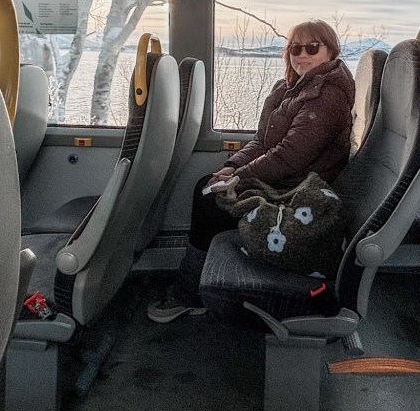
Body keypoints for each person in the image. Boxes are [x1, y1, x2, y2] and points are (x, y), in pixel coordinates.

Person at [147, 19, 356, 323]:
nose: (302, 54)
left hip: (296, 192)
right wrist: (231, 166)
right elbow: (262, 141)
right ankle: (196, 284)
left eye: (312, 47)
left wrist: (239, 178)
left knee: (210, 200)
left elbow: (289, 157)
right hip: (284, 181)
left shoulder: (327, 96)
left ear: (331, 51)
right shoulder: (290, 89)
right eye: (295, 47)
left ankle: (189, 294)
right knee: (208, 186)